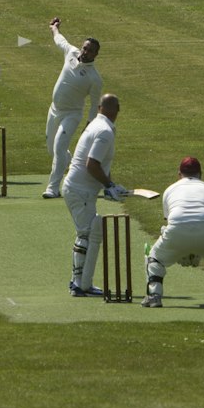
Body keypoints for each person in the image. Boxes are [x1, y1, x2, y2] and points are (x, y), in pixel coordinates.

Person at [142, 155, 204, 309]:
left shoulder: (170, 189)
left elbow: (170, 222)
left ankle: (154, 296)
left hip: (177, 228)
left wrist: (182, 250)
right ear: (200, 174)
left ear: (179, 174)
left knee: (155, 259)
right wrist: (200, 249)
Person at [62, 93, 128, 295]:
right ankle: (79, 284)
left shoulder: (95, 125)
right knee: (88, 234)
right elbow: (92, 164)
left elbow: (101, 163)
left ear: (100, 108)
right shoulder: (105, 131)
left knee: (87, 233)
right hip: (79, 191)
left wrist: (110, 184)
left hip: (80, 190)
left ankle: (80, 282)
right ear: (116, 110)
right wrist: (108, 184)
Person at [42, 16, 104, 199]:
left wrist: (90, 124)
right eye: (85, 48)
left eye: (90, 51)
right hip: (54, 110)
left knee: (60, 147)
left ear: (95, 55)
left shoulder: (95, 78)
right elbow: (59, 40)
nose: (86, 52)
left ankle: (53, 188)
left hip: (72, 114)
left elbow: (95, 105)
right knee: (52, 149)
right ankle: (70, 162)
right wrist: (54, 27)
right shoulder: (71, 52)